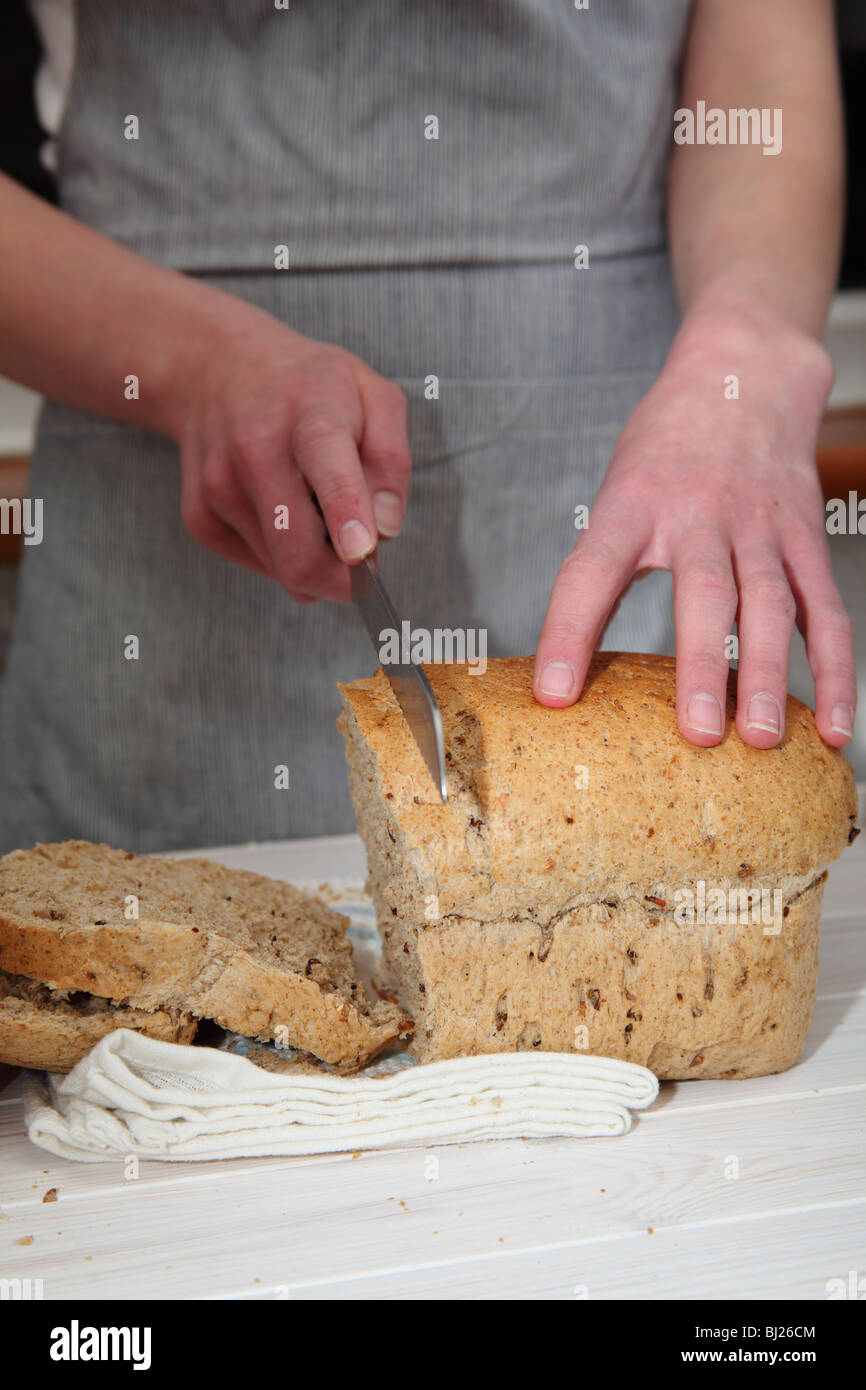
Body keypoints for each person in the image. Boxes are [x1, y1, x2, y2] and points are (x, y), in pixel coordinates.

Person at [0, 0, 855, 854]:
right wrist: (189, 364)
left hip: (636, 470)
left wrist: (744, 352)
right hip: (154, 552)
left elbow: (761, 65)